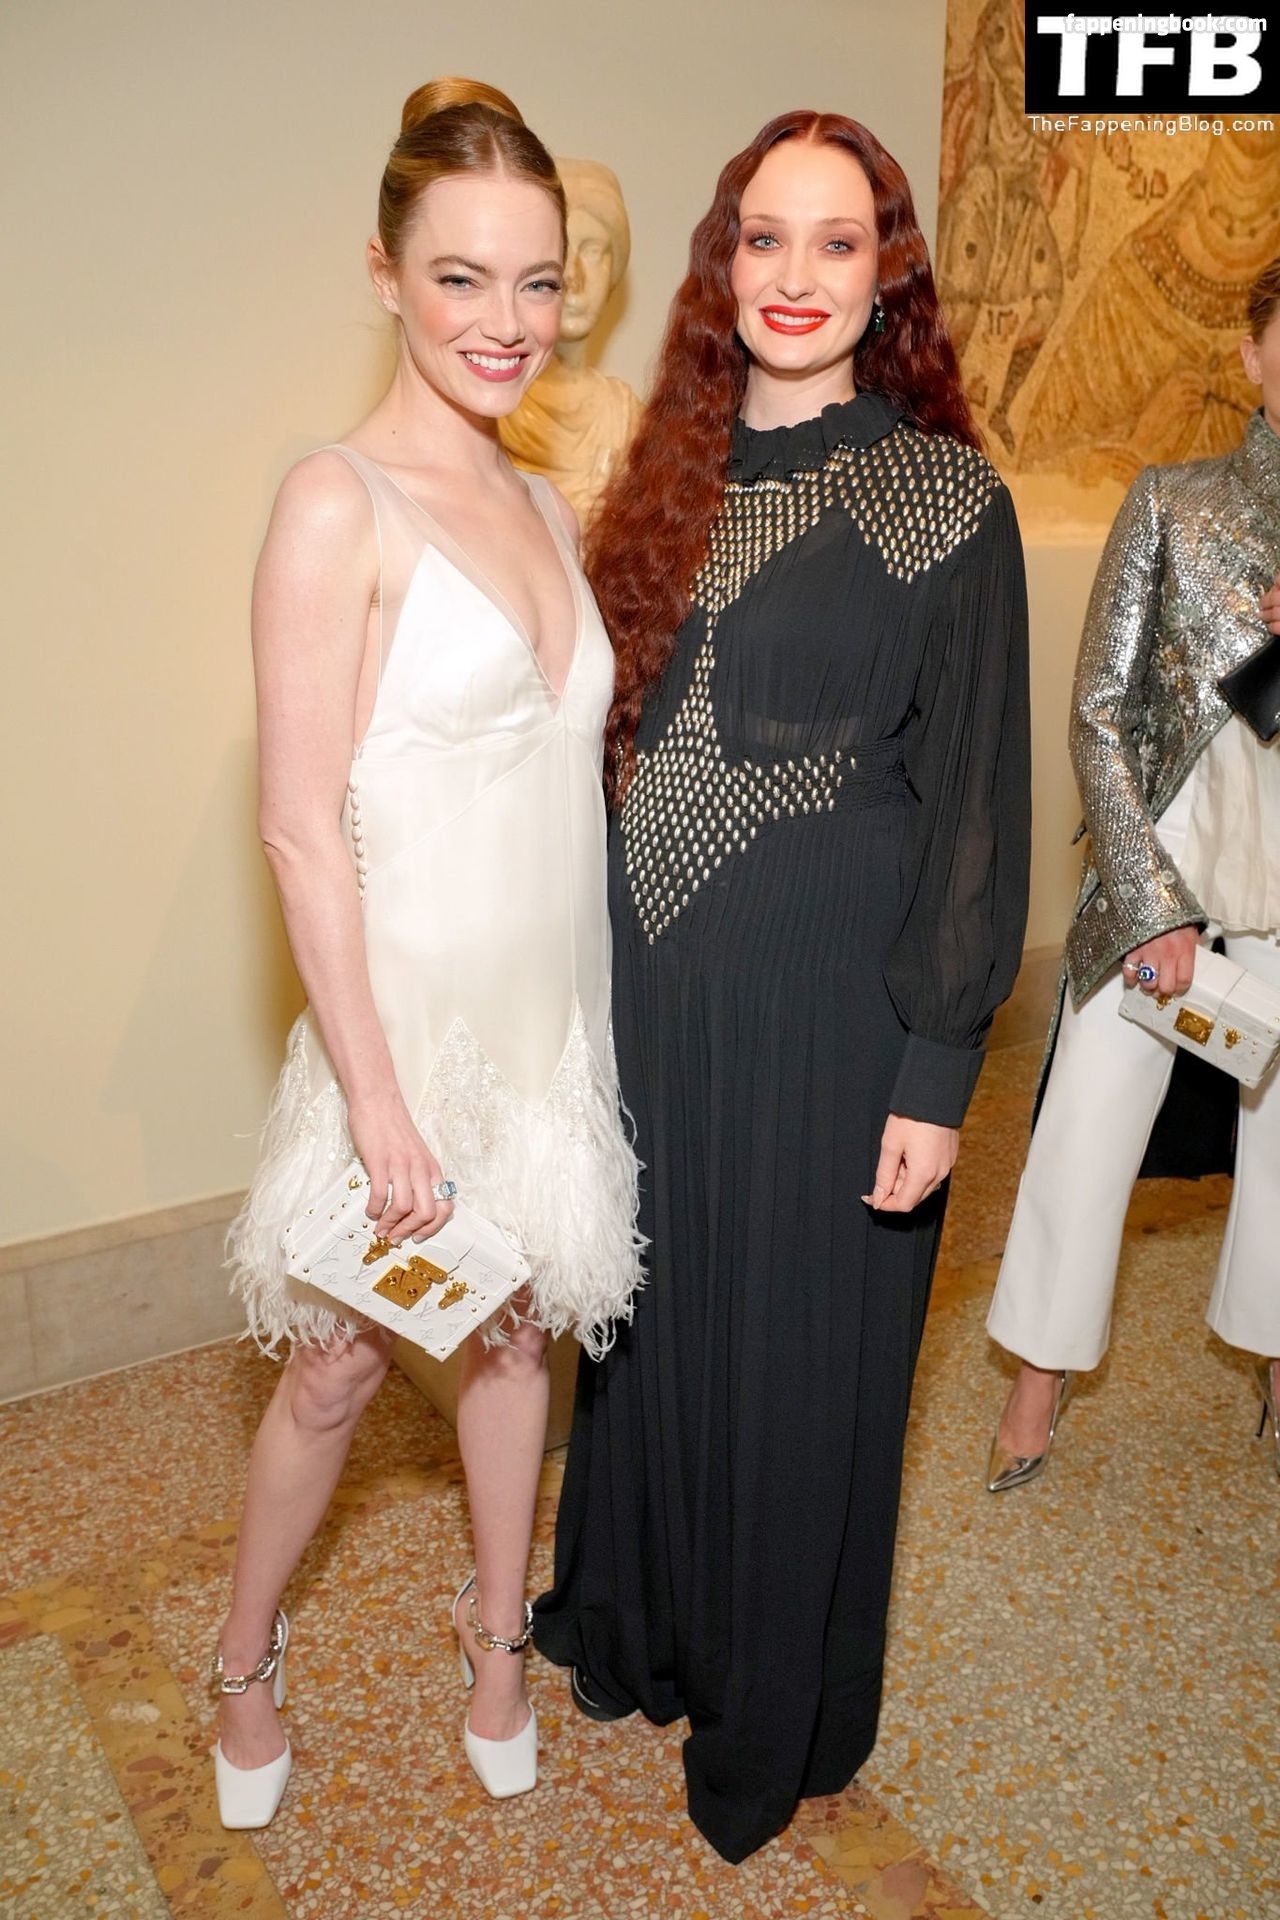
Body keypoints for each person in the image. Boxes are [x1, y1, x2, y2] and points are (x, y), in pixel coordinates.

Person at [533, 109, 1031, 1862]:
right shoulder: (655, 477)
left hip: (833, 1013)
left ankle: (773, 1711)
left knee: (802, 1367)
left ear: (889, 273)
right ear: (720, 264)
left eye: (837, 241)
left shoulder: (944, 498)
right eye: (764, 238)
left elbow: (976, 805)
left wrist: (936, 1069)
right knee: (650, 1332)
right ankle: (642, 1627)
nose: (796, 275)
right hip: (652, 996)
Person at [215, 77, 643, 1828]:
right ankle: (242, 1657)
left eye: (536, 281)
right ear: (384, 274)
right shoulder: (337, 502)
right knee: (334, 1367)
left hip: (542, 1030)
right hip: (400, 1042)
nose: (506, 320)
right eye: (462, 277)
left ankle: (495, 1635)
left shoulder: (544, 507)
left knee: (518, 1342)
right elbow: (298, 826)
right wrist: (378, 1100)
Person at [986, 257, 1280, 1494]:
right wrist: (1150, 903)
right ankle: (1036, 1374)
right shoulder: (1172, 501)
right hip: (1159, 870)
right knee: (1084, 1123)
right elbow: (1096, 714)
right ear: (1252, 357)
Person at [500, 158, 643, 519]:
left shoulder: (626, 417)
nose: (573, 277)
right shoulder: (492, 409)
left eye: (593, 252)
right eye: (560, 252)